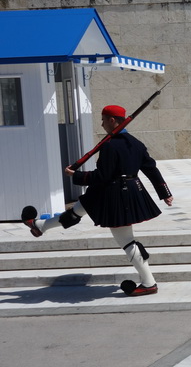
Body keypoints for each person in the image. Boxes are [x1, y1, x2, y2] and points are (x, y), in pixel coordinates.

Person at [21, 105, 173, 296]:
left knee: (126, 240)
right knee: (77, 210)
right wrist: (164, 192)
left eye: (103, 119)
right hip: (123, 190)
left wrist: (75, 176)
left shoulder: (110, 145)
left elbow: (103, 176)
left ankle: (148, 282)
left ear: (112, 120)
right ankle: (40, 226)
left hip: (115, 194)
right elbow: (151, 168)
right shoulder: (135, 143)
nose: (101, 124)